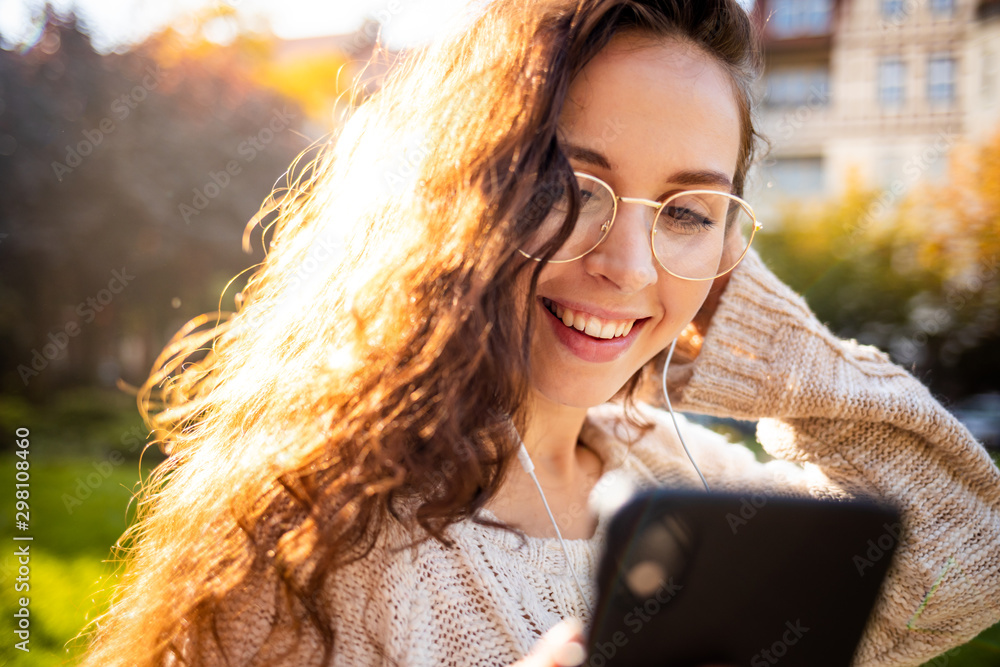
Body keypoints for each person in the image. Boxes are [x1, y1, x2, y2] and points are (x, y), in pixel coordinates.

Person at [79, 1, 1000, 666]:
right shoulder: (311, 545)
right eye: (569, 183)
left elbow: (970, 552)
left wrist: (712, 301)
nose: (628, 265)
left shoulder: (687, 481)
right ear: (464, 194)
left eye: (688, 208)